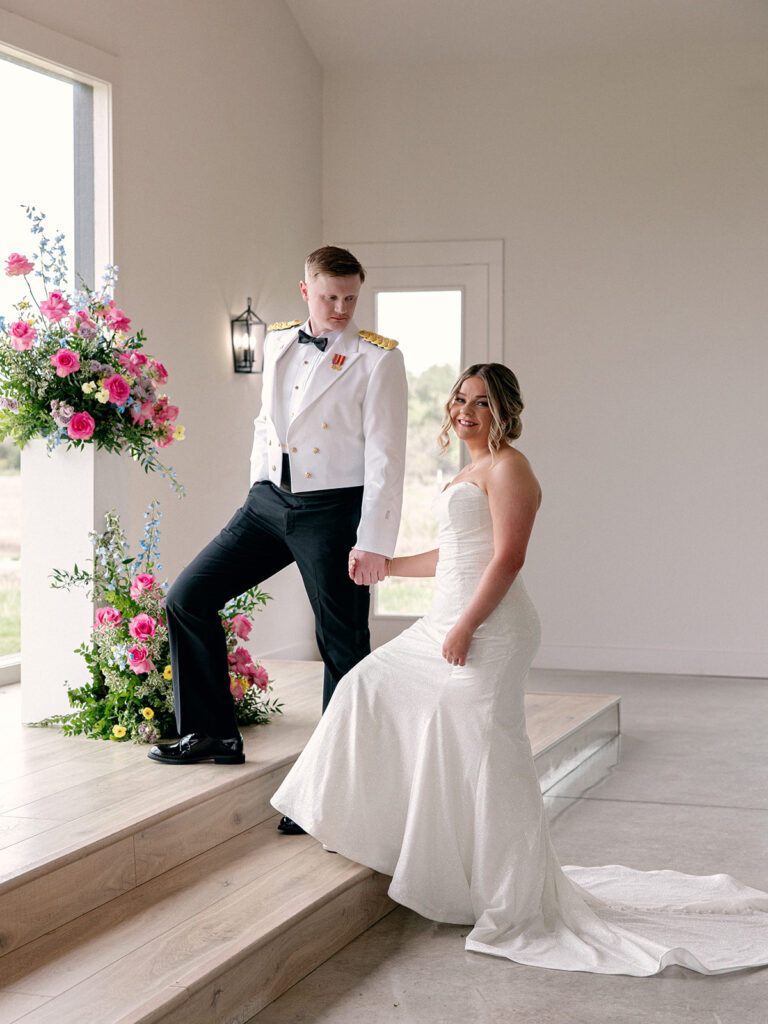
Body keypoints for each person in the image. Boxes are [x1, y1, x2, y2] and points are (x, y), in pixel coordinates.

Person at [272, 362, 768, 975]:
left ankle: (509, 894)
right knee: (364, 686)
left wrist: (465, 626)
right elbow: (456, 554)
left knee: (488, 754)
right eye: (459, 399)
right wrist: (389, 567)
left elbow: (508, 558)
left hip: (492, 629)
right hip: (443, 625)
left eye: (480, 402)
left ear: (503, 410)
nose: (464, 411)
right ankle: (394, 840)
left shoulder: (511, 468)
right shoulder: (470, 469)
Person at [148, 247, 408, 800]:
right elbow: (266, 422)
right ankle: (212, 732)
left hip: (333, 512)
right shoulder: (277, 340)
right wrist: (256, 486)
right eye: (328, 296)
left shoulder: (378, 359)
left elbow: (388, 458)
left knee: (340, 643)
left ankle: (337, 784)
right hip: (267, 504)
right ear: (305, 290)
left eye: (349, 297)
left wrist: (374, 541)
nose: (340, 308)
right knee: (188, 598)